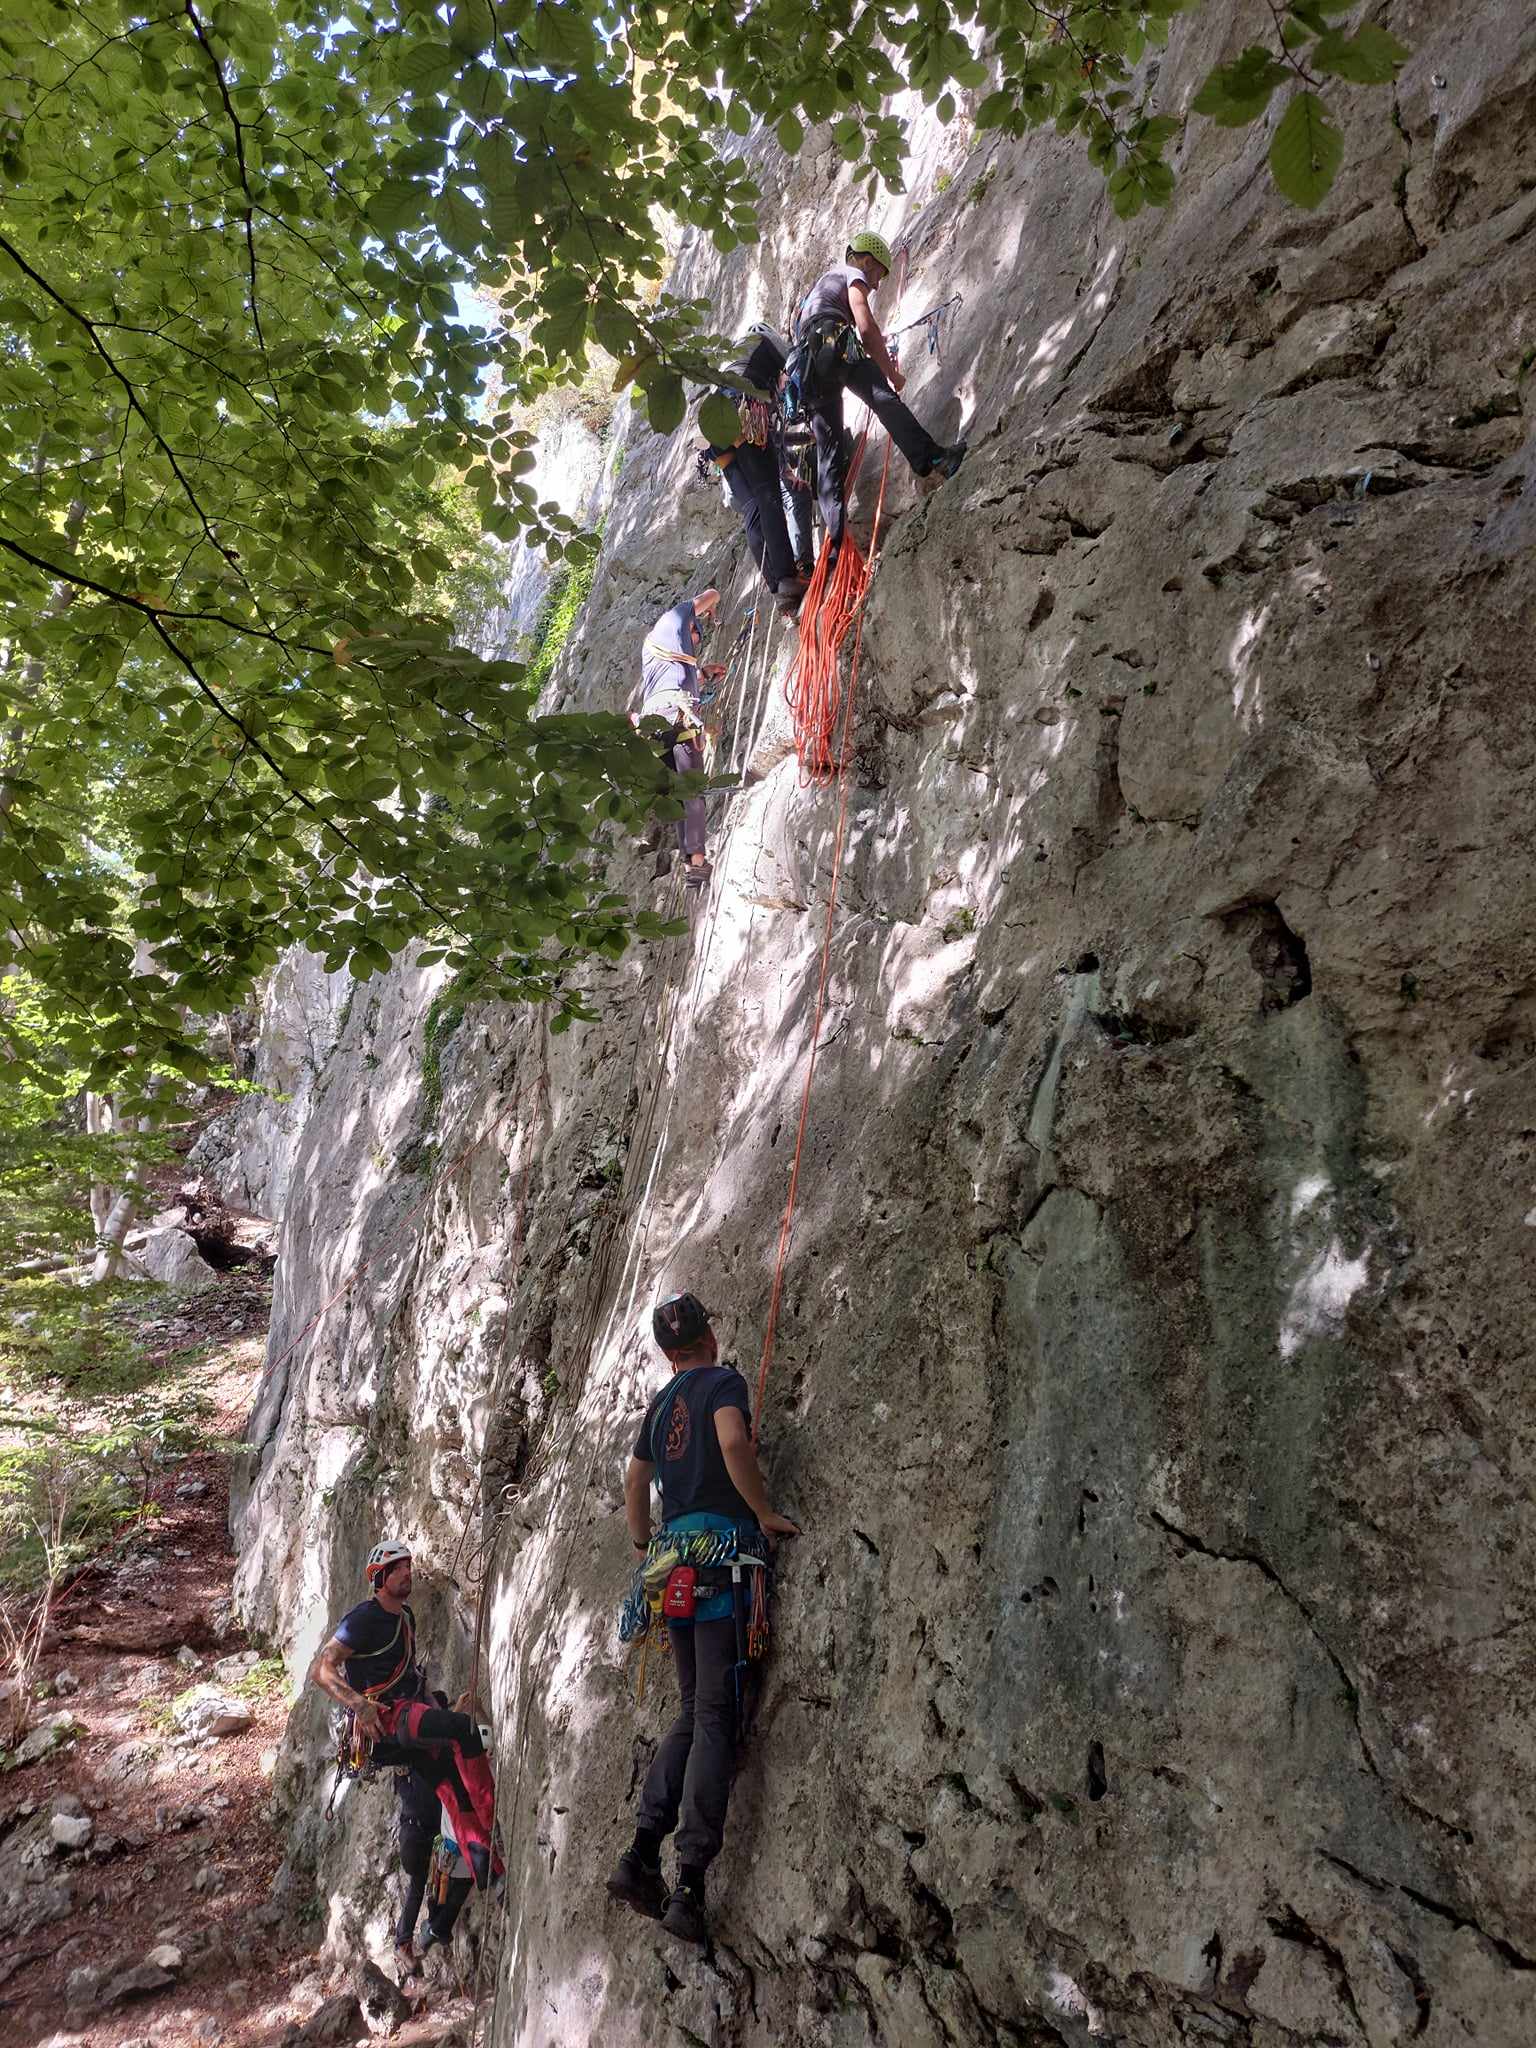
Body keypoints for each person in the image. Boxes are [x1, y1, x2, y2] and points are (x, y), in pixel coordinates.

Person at [606, 1292, 800, 1946]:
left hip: (673, 1567)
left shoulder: (659, 1408)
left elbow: (635, 1484)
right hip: (723, 1560)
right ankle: (688, 1881)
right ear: (708, 1337)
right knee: (714, 1712)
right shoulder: (723, 1381)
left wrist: (642, 1547)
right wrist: (764, 1510)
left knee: (692, 1710)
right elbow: (731, 1440)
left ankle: (638, 1855)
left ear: (668, 1353)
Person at [308, 1542, 498, 1977]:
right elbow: (322, 1669)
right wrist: (360, 1704)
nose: (408, 1573)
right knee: (462, 1732)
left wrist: (437, 1709)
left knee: (450, 1778)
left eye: (410, 1566)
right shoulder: (363, 1619)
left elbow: (413, 1679)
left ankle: (485, 1859)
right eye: (398, 1569)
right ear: (379, 1577)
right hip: (386, 1721)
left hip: (408, 1716)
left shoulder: (406, 1619)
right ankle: (408, 1935)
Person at [792, 228, 967, 561]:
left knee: (827, 455)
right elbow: (866, 327)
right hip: (834, 340)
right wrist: (892, 373)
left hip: (810, 365)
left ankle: (836, 545)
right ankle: (934, 458)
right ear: (868, 261)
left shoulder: (815, 293)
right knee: (884, 399)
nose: (875, 285)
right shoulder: (850, 274)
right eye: (877, 276)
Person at [701, 325, 814, 616]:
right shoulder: (767, 341)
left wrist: (787, 466)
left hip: (718, 429)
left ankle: (777, 588)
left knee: (752, 506)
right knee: (768, 496)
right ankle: (788, 577)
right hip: (743, 410)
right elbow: (795, 367)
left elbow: (771, 439)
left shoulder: (736, 359)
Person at [636, 590, 727, 889]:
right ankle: (696, 861)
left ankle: (691, 865)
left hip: (654, 725)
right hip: (676, 715)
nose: (695, 642)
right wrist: (712, 607)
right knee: (693, 788)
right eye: (695, 635)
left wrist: (702, 674)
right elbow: (711, 594)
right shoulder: (670, 621)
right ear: (688, 627)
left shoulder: (660, 651)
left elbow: (671, 678)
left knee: (679, 792)